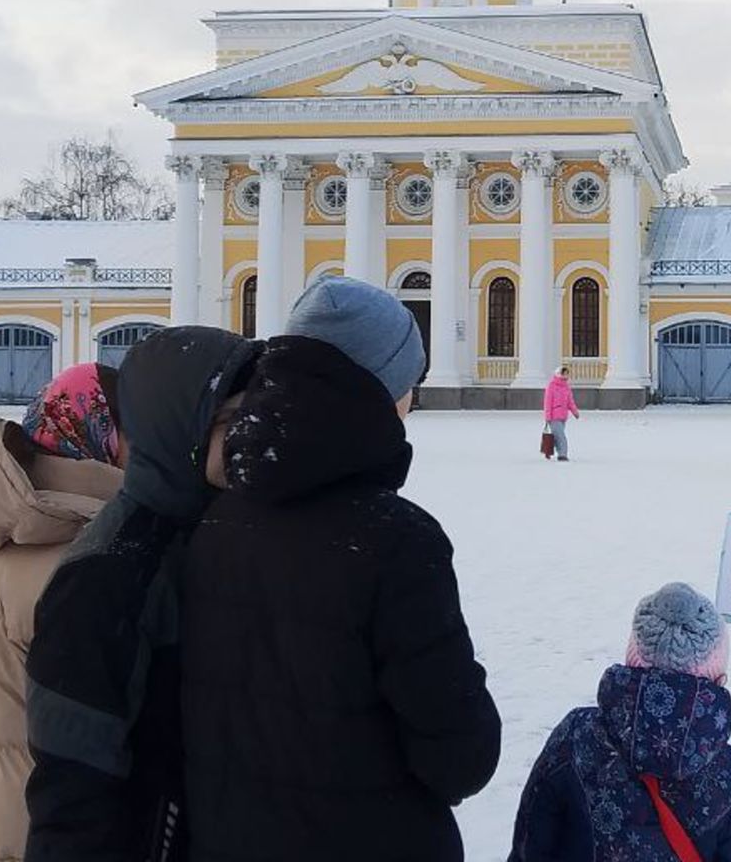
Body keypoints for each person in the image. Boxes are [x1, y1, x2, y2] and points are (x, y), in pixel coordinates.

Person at [182, 277, 500, 862]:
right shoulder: (397, 543)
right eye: (408, 381)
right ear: (381, 389)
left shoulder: (214, 517)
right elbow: (459, 756)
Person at [23, 326, 263, 862]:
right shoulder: (106, 571)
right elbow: (72, 792)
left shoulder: (220, 531)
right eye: (230, 421)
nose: (249, 436)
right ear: (178, 427)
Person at [0, 364, 125, 862]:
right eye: (132, 428)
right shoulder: (72, 551)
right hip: (42, 830)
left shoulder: (46, 521)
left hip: (18, 815)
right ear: (95, 431)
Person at [509, 583, 731, 862]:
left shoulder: (575, 736)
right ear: (715, 679)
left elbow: (529, 846)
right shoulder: (728, 770)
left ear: (633, 659)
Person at [543, 365, 582, 461]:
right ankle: (562, 455)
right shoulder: (551, 386)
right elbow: (547, 402)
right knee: (561, 437)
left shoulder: (566, 387)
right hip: (553, 417)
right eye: (564, 374)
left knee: (557, 436)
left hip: (563, 416)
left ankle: (548, 451)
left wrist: (575, 412)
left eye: (567, 374)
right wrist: (547, 416)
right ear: (559, 374)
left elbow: (570, 402)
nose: (566, 376)